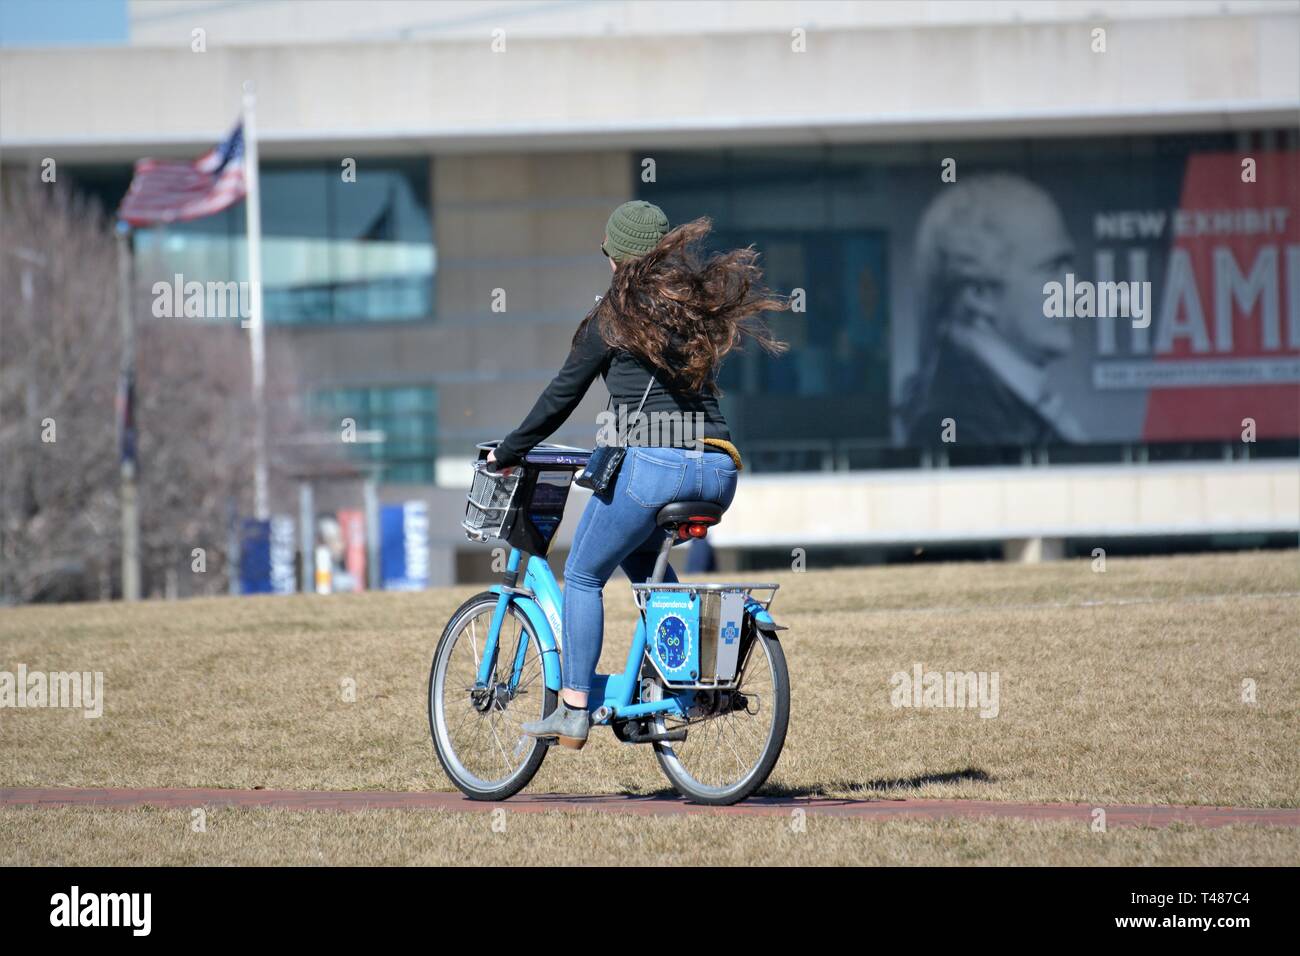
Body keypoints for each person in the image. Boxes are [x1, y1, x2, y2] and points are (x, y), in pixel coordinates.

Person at [487, 199, 787, 750]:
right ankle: (687, 688)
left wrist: (510, 450)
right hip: (719, 468)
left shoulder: (613, 316)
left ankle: (574, 708)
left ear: (617, 258)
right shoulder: (689, 310)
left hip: (655, 467)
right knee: (644, 572)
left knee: (581, 575)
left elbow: (561, 395)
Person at [900, 174, 1086, 448]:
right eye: (1052, 269)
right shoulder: (961, 428)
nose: (1077, 289)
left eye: (1069, 266)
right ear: (979, 295)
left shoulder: (996, 407)